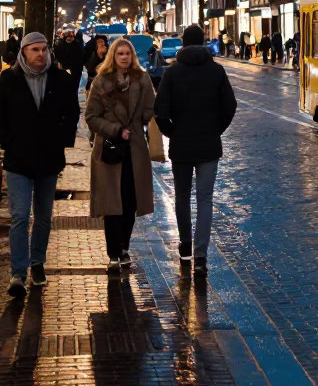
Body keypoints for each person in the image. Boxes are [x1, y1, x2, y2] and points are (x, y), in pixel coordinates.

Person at [153, 24, 237, 277]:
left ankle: (185, 247)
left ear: (182, 43)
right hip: (209, 144)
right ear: (203, 43)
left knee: (182, 197)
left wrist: (172, 132)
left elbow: (160, 111)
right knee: (205, 198)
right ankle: (201, 254)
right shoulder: (217, 71)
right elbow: (229, 106)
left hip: (182, 143)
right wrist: (216, 129)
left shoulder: (172, 73)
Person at [0, 32, 80, 295]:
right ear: (23, 52)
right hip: (18, 160)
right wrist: (7, 140)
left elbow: (72, 112)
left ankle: (38, 263)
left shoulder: (61, 79)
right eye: (34, 49)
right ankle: (18, 273)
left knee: (44, 217)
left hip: (48, 158)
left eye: (44, 49)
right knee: (20, 216)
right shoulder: (9, 79)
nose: (40, 54)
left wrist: (62, 138)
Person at [85, 39, 156, 272]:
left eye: (128, 53)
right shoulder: (101, 82)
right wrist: (115, 130)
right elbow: (91, 117)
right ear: (113, 56)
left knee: (130, 200)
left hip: (134, 149)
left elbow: (150, 109)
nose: (124, 57)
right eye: (120, 54)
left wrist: (142, 121)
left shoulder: (142, 79)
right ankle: (113, 252)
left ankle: (124, 247)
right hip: (109, 149)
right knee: (111, 202)